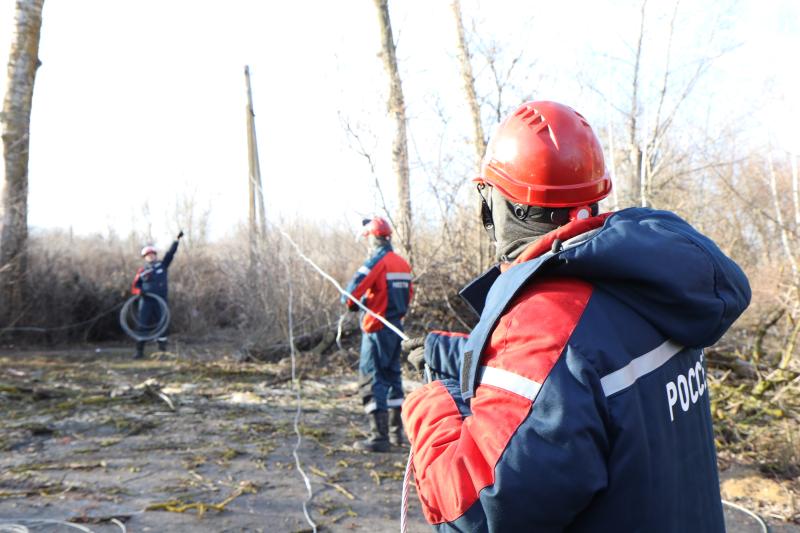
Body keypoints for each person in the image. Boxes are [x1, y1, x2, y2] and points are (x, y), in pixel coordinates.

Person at [401, 101, 750, 531]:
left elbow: (476, 513)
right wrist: (446, 352)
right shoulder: (649, 284)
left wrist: (431, 402)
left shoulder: (545, 325)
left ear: (498, 205)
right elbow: (578, 374)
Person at [343, 217, 413, 452]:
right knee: (393, 377)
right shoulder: (402, 264)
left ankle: (378, 438)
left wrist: (357, 302)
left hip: (376, 329)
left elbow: (350, 296)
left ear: (373, 238)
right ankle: (396, 435)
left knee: (373, 379)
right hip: (396, 328)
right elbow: (407, 296)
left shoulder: (376, 261)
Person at [131, 231, 183, 358]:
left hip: (161, 301)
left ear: (155, 255)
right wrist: (140, 292)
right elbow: (134, 287)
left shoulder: (162, 265)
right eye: (148, 255)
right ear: (145, 257)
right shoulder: (141, 271)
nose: (150, 257)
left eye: (152, 254)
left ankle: (162, 352)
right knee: (142, 325)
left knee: (162, 325)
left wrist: (176, 240)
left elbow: (170, 254)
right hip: (146, 302)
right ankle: (139, 352)